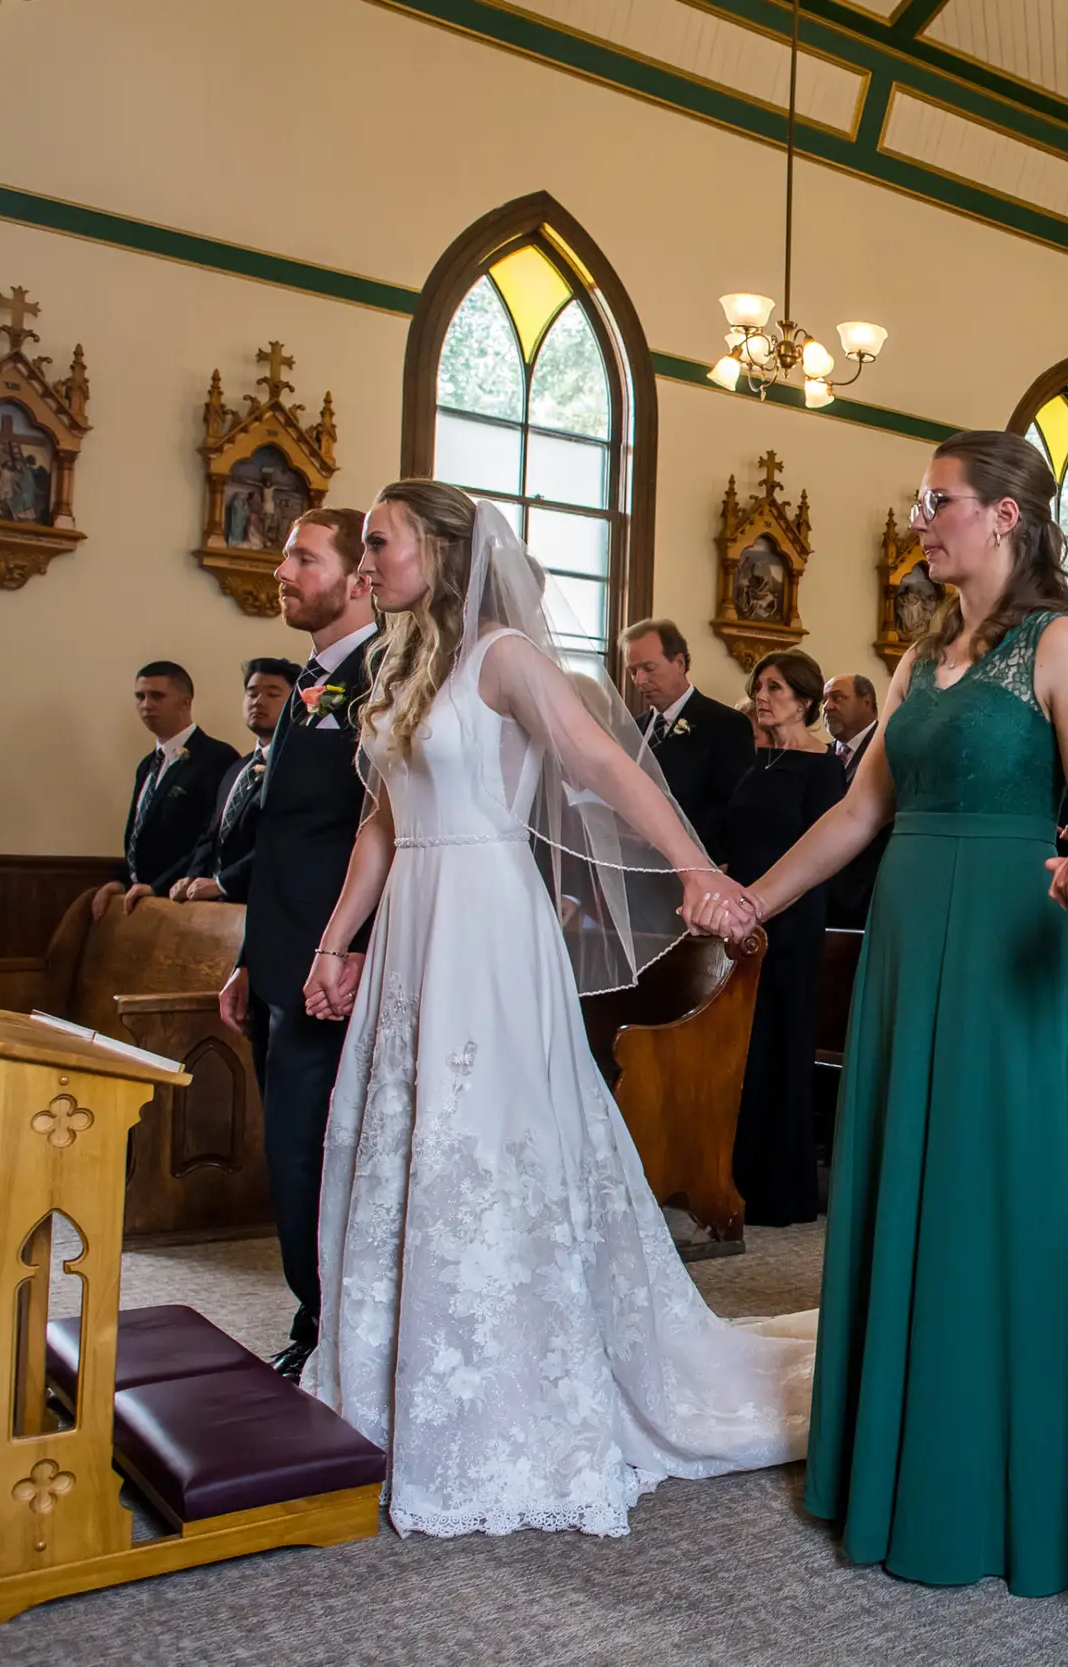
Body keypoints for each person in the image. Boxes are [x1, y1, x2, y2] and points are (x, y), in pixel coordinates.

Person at [299, 481, 812, 1538]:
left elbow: (597, 760)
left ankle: (514, 1395)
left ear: (440, 549)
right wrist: (334, 938)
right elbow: (380, 828)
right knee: (409, 1139)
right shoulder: (400, 669)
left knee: (487, 1144)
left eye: (379, 546)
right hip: (412, 925)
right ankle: (402, 1381)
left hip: (486, 920)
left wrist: (695, 869)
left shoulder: (506, 660)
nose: (365, 567)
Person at [725, 431, 1068, 1595]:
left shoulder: (1060, 645)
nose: (924, 520)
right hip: (910, 939)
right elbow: (860, 815)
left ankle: (977, 1485)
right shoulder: (918, 658)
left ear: (1005, 515)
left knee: (979, 1197)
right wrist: (749, 899)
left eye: (940, 501)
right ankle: (887, 1460)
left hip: (1005, 937)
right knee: (899, 1182)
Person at [214, 509, 379, 1380]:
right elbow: (285, 834)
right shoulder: (312, 679)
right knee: (291, 1146)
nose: (282, 570)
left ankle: (327, 1325)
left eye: (302, 557)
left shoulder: (384, 675)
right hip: (284, 955)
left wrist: (347, 948)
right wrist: (252, 954)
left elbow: (379, 831)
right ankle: (315, 1315)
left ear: (359, 579)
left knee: (314, 1149)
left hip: (336, 965)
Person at [721, 649, 846, 1227]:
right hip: (742, 918)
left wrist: (765, 903)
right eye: (759, 686)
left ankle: (782, 1192)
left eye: (774, 688)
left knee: (780, 1045)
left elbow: (819, 854)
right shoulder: (758, 760)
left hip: (791, 922)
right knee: (743, 1048)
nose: (761, 696)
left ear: (804, 700)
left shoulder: (822, 767)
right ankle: (737, 1176)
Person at [98, 662, 241, 918]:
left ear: (185, 702)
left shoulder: (215, 758)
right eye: (140, 697)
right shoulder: (147, 764)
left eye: (157, 696)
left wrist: (159, 886)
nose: (146, 705)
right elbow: (141, 834)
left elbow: (208, 838)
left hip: (180, 900)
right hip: (141, 896)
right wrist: (122, 881)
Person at [621, 617, 752, 868]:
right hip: (633, 868)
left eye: (648, 668)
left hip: (694, 865)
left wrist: (657, 837)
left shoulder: (725, 724)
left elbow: (730, 807)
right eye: (633, 671)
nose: (639, 681)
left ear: (679, 663)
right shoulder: (631, 730)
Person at [167, 657, 300, 904]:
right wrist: (193, 877)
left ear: (296, 703)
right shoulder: (238, 767)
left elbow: (284, 840)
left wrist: (223, 883)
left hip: (266, 901)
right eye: (252, 693)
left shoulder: (299, 767)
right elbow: (211, 835)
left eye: (272, 694)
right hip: (216, 906)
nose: (258, 701)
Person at [821, 671, 886, 930]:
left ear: (866, 702)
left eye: (837, 697)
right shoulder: (821, 755)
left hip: (864, 894)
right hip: (821, 891)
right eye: (825, 699)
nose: (828, 706)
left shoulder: (885, 748)